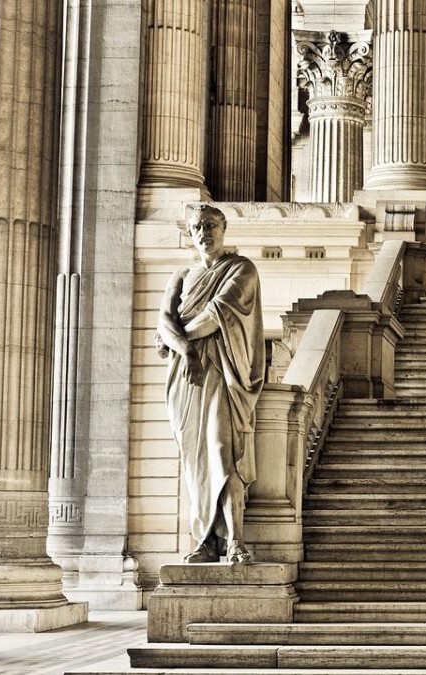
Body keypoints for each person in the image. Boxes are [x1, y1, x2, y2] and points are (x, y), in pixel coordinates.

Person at [156, 204, 265, 564]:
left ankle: (236, 542)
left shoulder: (242, 269)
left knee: (221, 452)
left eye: (210, 225)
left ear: (224, 227)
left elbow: (214, 315)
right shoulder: (181, 276)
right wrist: (184, 348)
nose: (203, 232)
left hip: (221, 372)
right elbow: (162, 322)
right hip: (187, 380)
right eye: (196, 227)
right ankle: (205, 540)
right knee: (195, 464)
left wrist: (177, 340)